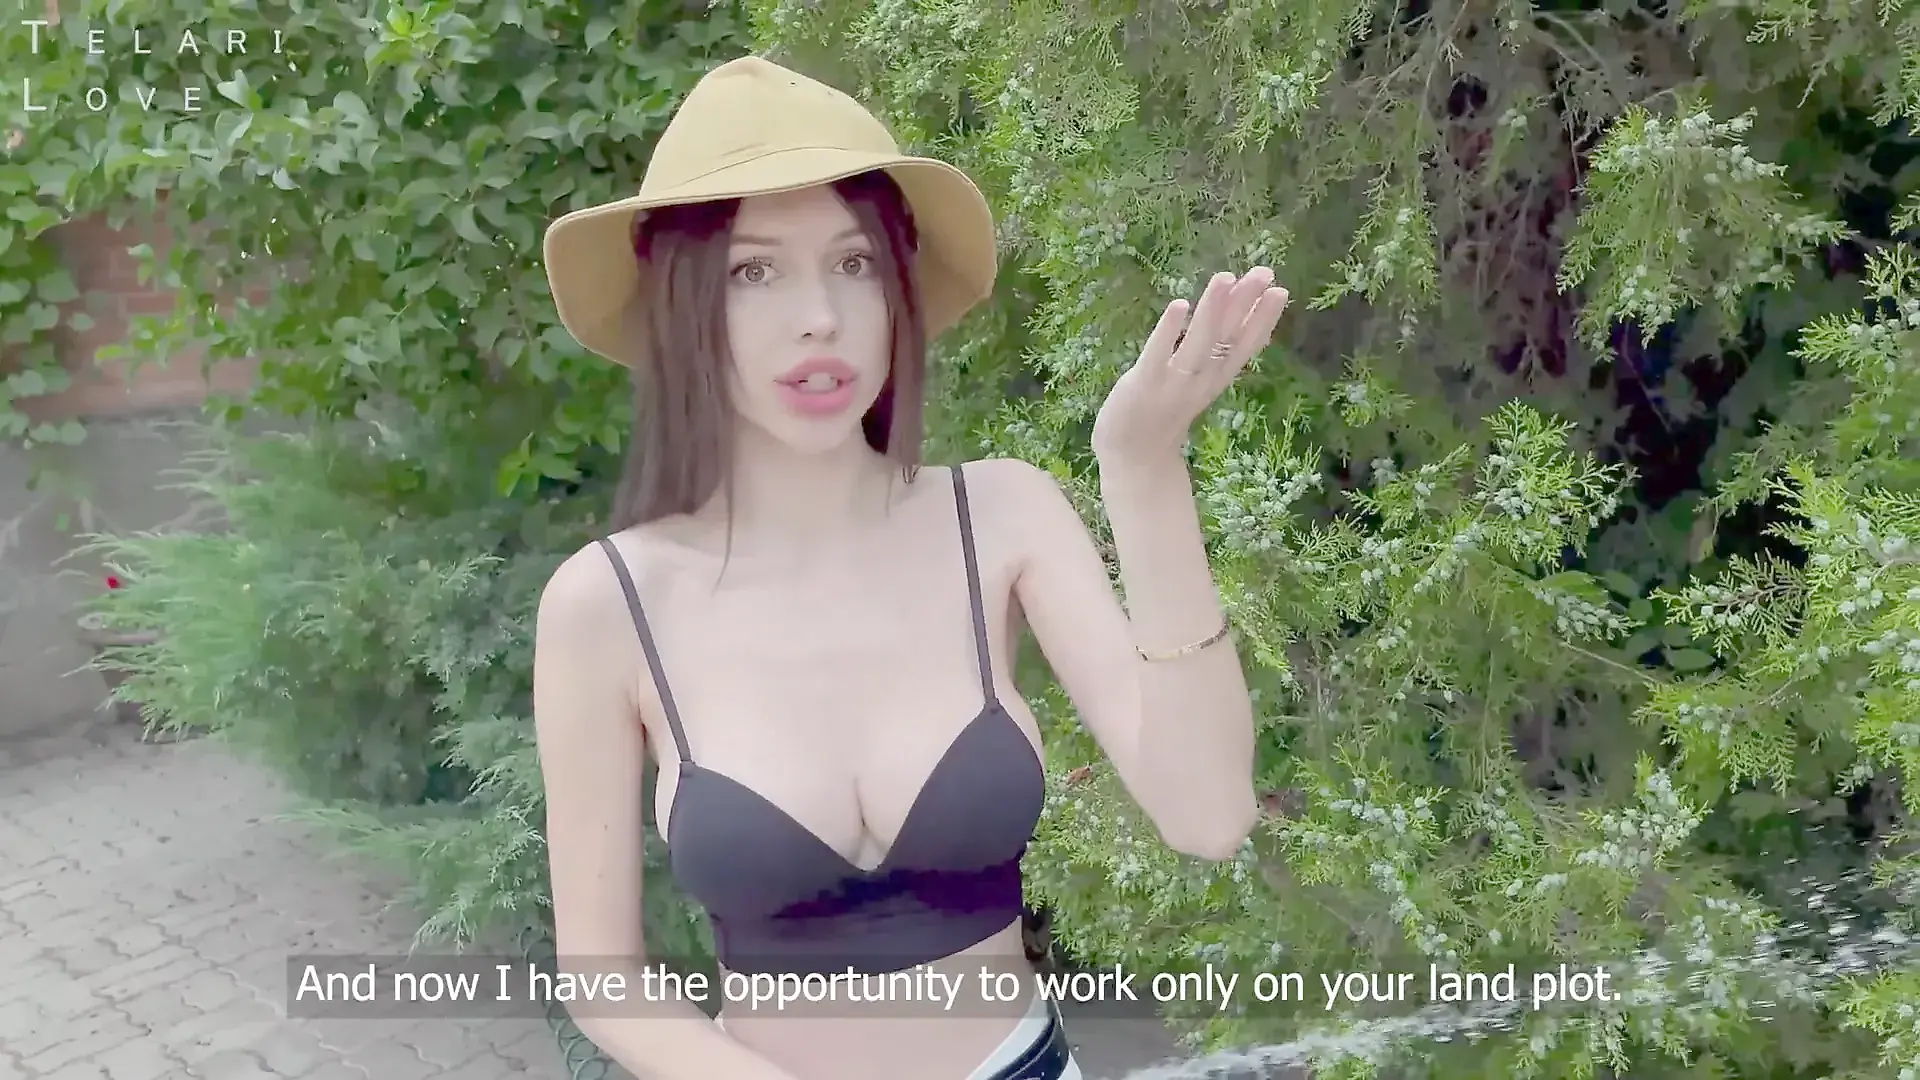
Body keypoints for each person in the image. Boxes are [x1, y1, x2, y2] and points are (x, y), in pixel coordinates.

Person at [532, 53, 1290, 1080]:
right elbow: (603, 981)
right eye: (755, 272)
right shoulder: (608, 604)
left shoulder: (1003, 515)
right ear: (683, 305)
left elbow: (1208, 815)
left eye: (853, 264)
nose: (820, 316)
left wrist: (1145, 470)